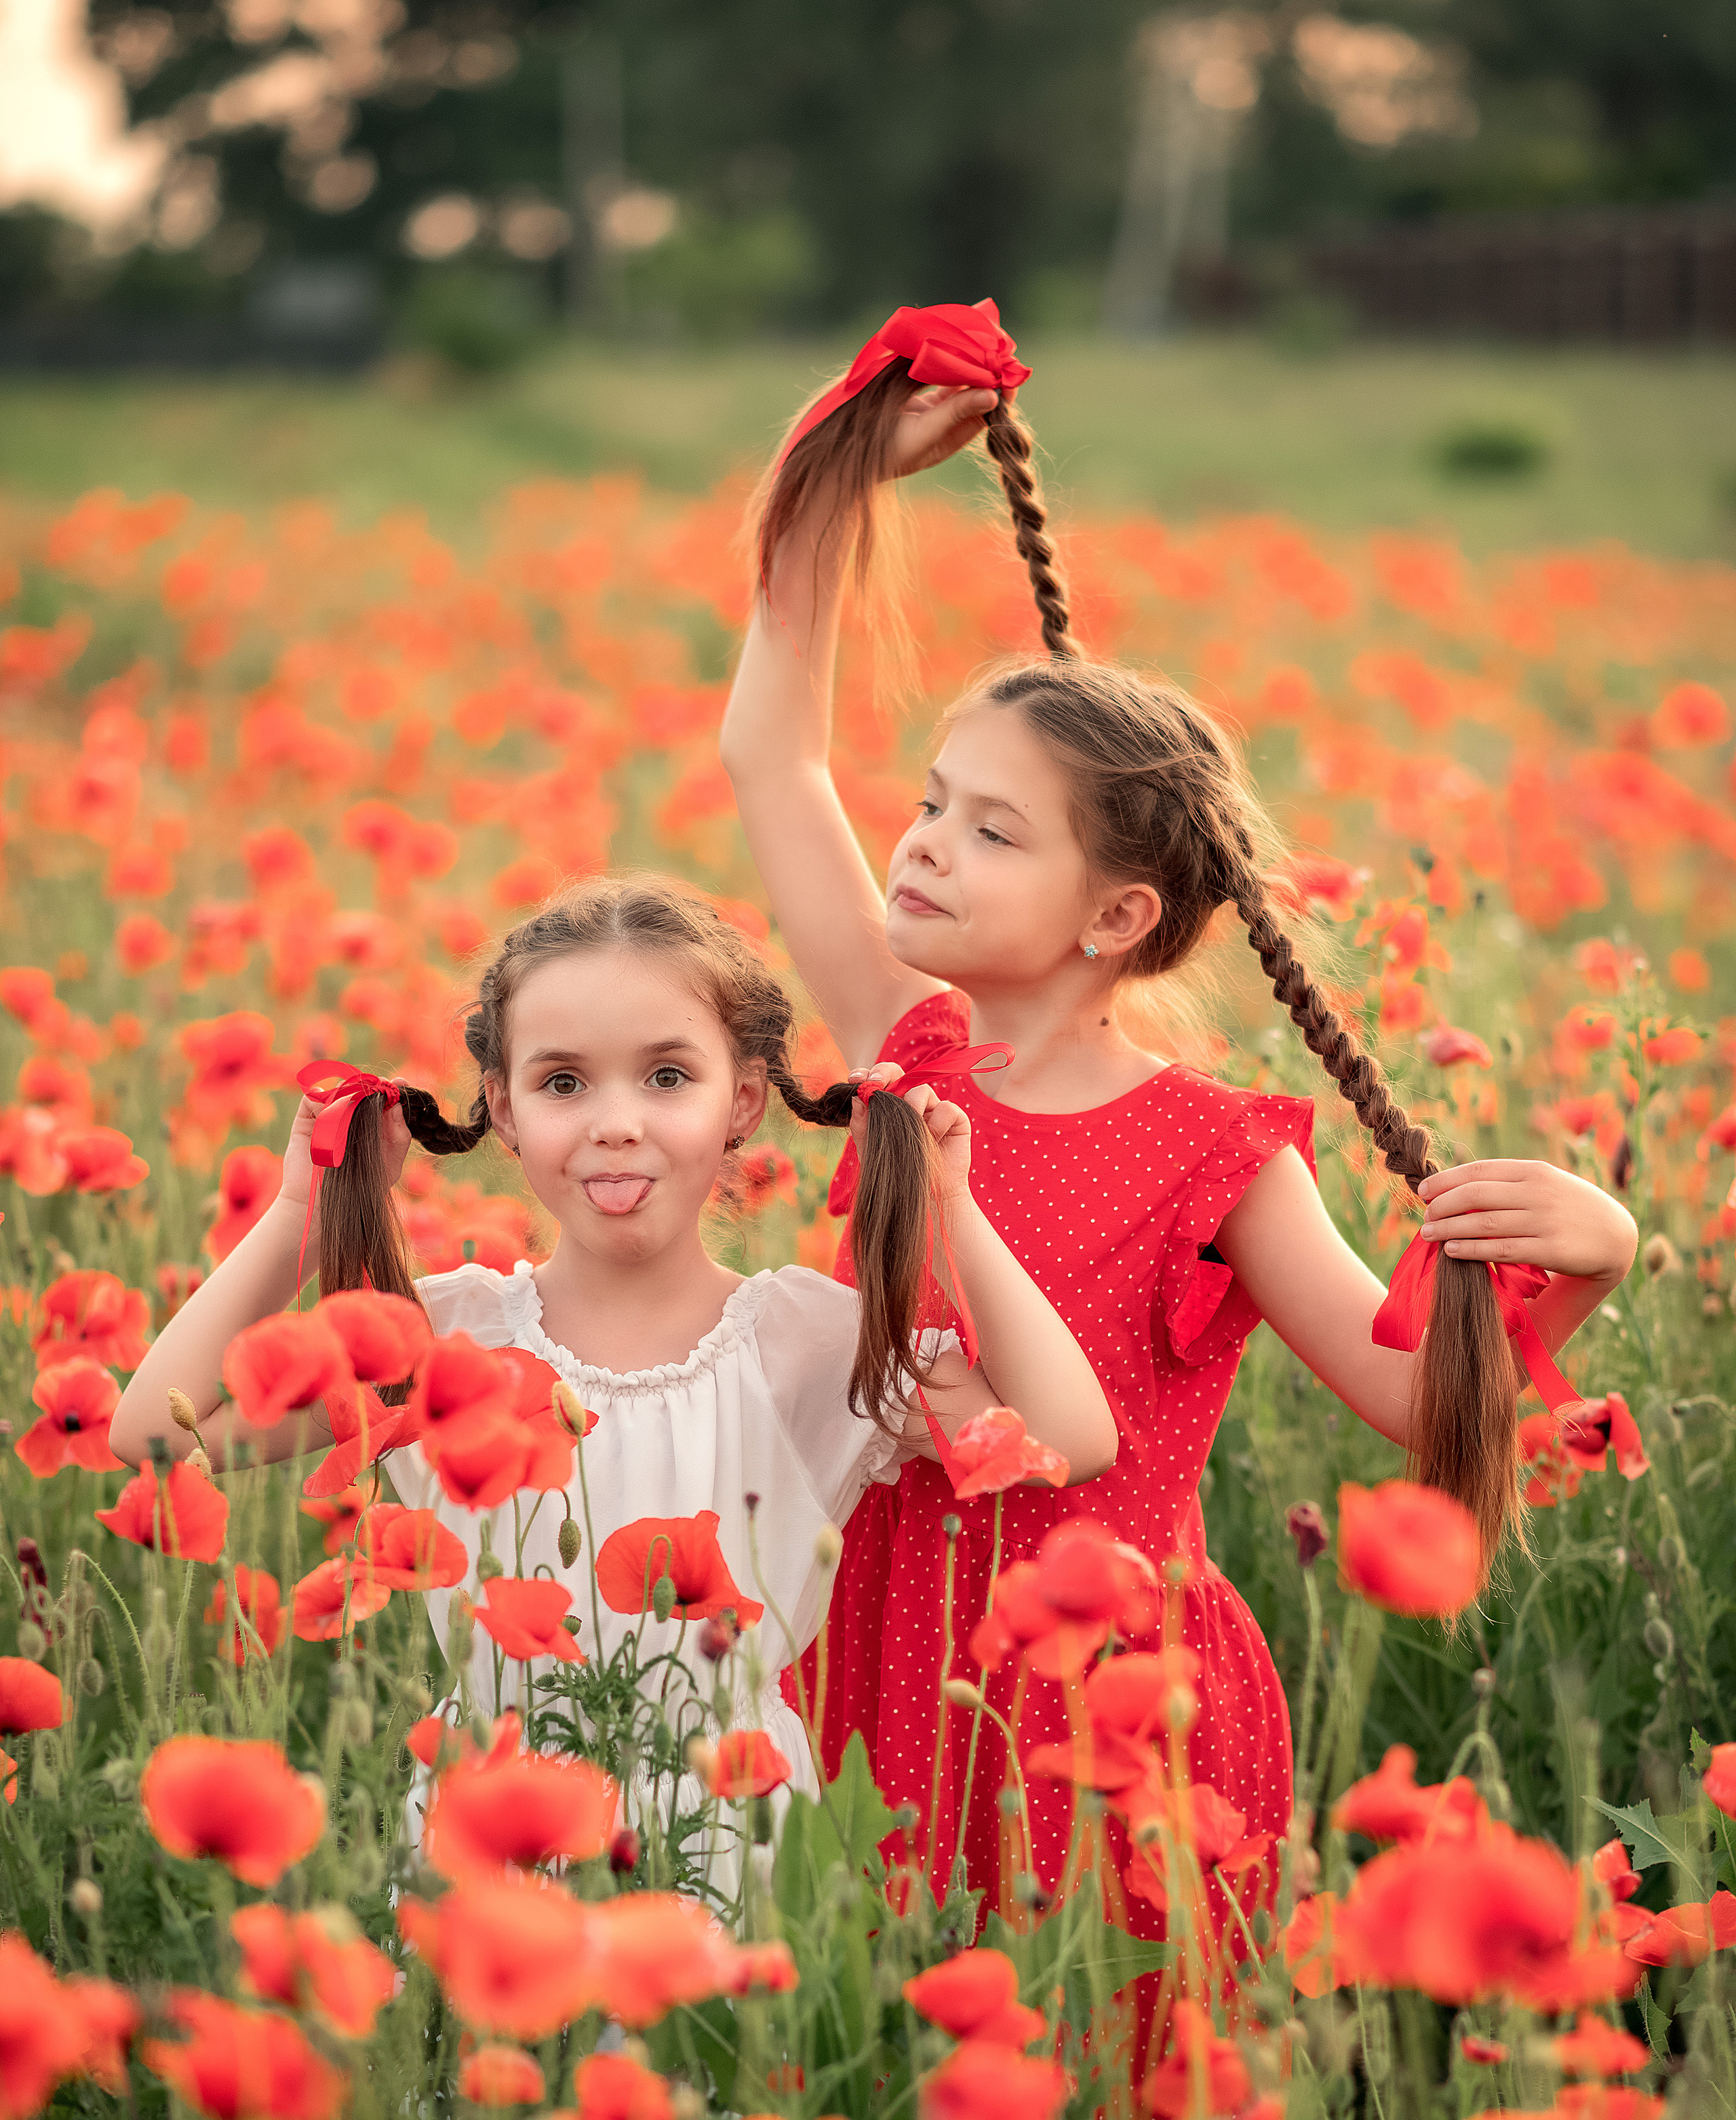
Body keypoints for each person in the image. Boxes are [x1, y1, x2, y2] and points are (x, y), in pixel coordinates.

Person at [719, 299, 1638, 1912]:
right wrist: (841, 463)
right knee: (890, 2059)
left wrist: (1600, 1251)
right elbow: (771, 749)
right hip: (881, 1633)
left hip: (1120, 1689)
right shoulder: (902, 1042)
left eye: (990, 832)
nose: (921, 843)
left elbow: (1416, 1400)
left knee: (1101, 2049)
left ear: (1116, 917)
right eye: (932, 803)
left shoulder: (1216, 1151)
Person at [111, 878, 1119, 1805]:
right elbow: (156, 1436)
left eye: (668, 1076)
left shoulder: (807, 1344)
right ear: (502, 1109)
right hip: (496, 1825)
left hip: (728, 1824)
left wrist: (956, 1210)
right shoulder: (440, 1338)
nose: (616, 1124)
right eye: (563, 1085)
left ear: (745, 1102)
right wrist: (301, 1207)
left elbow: (1073, 1439)